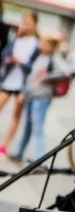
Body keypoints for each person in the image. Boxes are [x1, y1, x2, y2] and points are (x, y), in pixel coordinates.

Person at [12, 33, 71, 161]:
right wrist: (24, 92)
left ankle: (39, 159)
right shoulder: (41, 57)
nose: (42, 45)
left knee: (37, 128)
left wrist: (47, 78)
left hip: (41, 98)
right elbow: (31, 77)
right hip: (32, 96)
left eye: (45, 43)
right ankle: (19, 153)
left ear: (51, 46)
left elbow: (65, 71)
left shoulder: (54, 58)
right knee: (27, 127)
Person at [0, 9, 40, 159]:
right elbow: (4, 55)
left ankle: (4, 145)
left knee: (16, 115)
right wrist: (9, 60)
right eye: (25, 23)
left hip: (23, 85)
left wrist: (22, 63)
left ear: (35, 25)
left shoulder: (37, 45)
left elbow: (35, 68)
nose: (27, 26)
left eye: (30, 23)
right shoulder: (15, 38)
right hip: (8, 80)